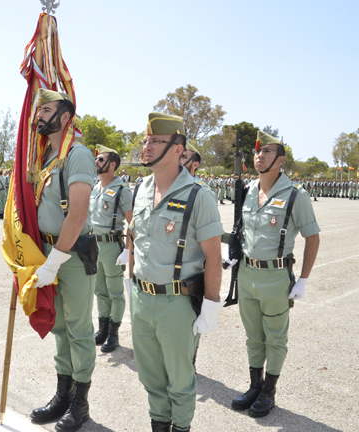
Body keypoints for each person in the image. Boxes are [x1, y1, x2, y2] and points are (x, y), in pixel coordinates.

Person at [129, 112, 224, 432]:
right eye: (146, 140)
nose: (147, 147)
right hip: (142, 299)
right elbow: (136, 240)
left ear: (177, 149)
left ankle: (181, 427)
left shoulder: (199, 195)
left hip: (176, 302)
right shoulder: (141, 188)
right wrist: (131, 281)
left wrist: (211, 305)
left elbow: (213, 257)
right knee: (150, 377)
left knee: (180, 380)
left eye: (156, 141)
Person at [229, 131, 320, 418]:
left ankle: (269, 391)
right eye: (257, 151)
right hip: (247, 275)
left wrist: (303, 279)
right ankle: (255, 386)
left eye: (267, 151)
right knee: (253, 337)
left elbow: (312, 236)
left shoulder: (295, 195)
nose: (259, 155)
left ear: (281, 160)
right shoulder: (247, 191)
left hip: (275, 276)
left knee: (275, 338)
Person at [29, 89, 97, 432]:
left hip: (70, 255)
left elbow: (78, 213)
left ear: (65, 116)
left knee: (78, 329)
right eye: (39, 109)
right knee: (59, 327)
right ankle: (63, 394)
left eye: (46, 110)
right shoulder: (45, 156)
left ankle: (80, 403)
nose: (39, 115)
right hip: (47, 252)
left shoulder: (77, 154)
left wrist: (54, 261)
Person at [89, 144, 132, 353]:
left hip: (112, 245)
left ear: (112, 164)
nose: (96, 162)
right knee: (100, 290)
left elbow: (133, 223)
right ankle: (103, 329)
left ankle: (114, 333)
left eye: (100, 159)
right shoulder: (95, 187)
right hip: (94, 245)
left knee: (115, 292)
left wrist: (128, 251)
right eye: (96, 159)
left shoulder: (122, 189)